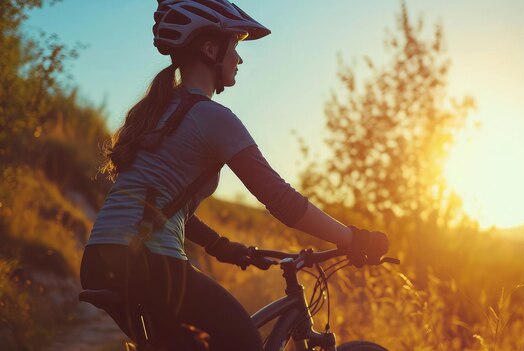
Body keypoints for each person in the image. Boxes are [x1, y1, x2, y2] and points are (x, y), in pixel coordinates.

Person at [79, 1, 390, 350]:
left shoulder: (161, 111)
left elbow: (159, 205)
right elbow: (280, 199)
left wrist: (222, 247)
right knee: (244, 341)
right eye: (235, 46)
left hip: (103, 257)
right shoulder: (212, 117)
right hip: (147, 262)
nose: (239, 59)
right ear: (210, 49)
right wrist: (352, 238)